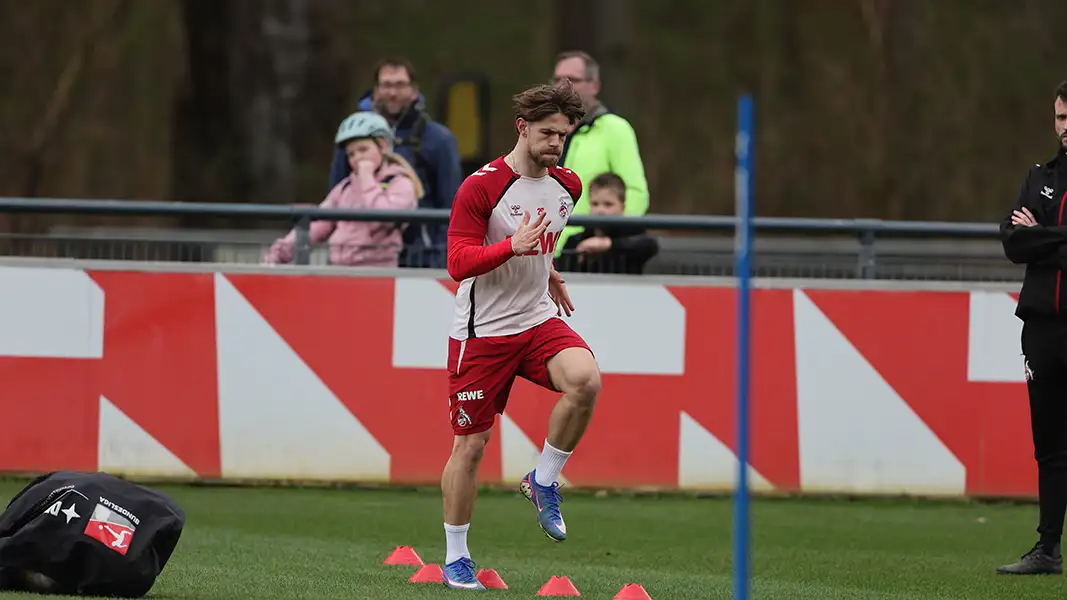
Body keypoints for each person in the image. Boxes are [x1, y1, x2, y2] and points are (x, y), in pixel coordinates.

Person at [438, 81, 602, 590]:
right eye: (547, 132)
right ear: (522, 128)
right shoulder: (481, 187)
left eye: (564, 135)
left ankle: (544, 479)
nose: (556, 143)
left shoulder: (569, 185)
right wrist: (513, 247)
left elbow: (542, 241)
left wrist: (545, 269)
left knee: (586, 381)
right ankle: (456, 556)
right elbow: (457, 262)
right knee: (471, 445)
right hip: (481, 331)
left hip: (534, 319)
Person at [996, 79, 1067, 575]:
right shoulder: (1040, 176)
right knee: (1050, 444)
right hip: (1041, 329)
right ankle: (1048, 550)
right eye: (1061, 118)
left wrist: (1041, 234)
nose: (1066, 128)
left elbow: (1031, 240)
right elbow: (1013, 242)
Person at [328, 57, 462, 269]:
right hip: (362, 260)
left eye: (400, 85)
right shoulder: (351, 136)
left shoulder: (439, 140)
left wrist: (441, 258)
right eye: (386, 85)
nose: (392, 93)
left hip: (420, 260)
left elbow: (451, 203)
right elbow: (336, 194)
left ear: (414, 90)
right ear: (376, 90)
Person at [264, 111, 422, 267]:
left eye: (363, 150)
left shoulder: (400, 183)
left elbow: (383, 220)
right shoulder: (345, 187)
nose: (357, 158)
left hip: (377, 273)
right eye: (351, 154)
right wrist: (278, 253)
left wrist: (366, 178)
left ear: (383, 147)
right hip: (341, 271)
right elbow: (318, 224)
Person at [550, 50, 650, 255]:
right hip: (545, 254)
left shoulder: (615, 129)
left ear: (594, 85)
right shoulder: (546, 132)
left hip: (588, 254)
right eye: (557, 79)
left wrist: (609, 241)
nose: (562, 86)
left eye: (572, 80)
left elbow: (636, 195)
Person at [556, 171, 659, 274]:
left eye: (608, 204)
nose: (600, 210)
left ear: (622, 207)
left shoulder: (633, 235)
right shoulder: (575, 241)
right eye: (595, 204)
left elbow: (650, 245)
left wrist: (606, 244)